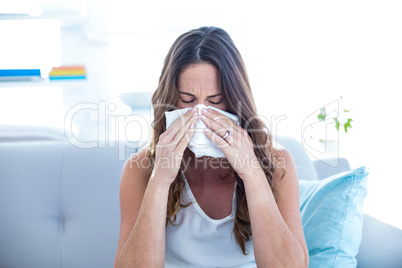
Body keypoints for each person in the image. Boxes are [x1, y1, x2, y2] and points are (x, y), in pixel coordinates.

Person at [114, 26, 309, 268]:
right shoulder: (139, 169)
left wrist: (252, 173)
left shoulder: (278, 163)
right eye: (187, 100)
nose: (200, 113)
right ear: (171, 100)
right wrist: (160, 179)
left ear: (235, 100)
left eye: (215, 101)